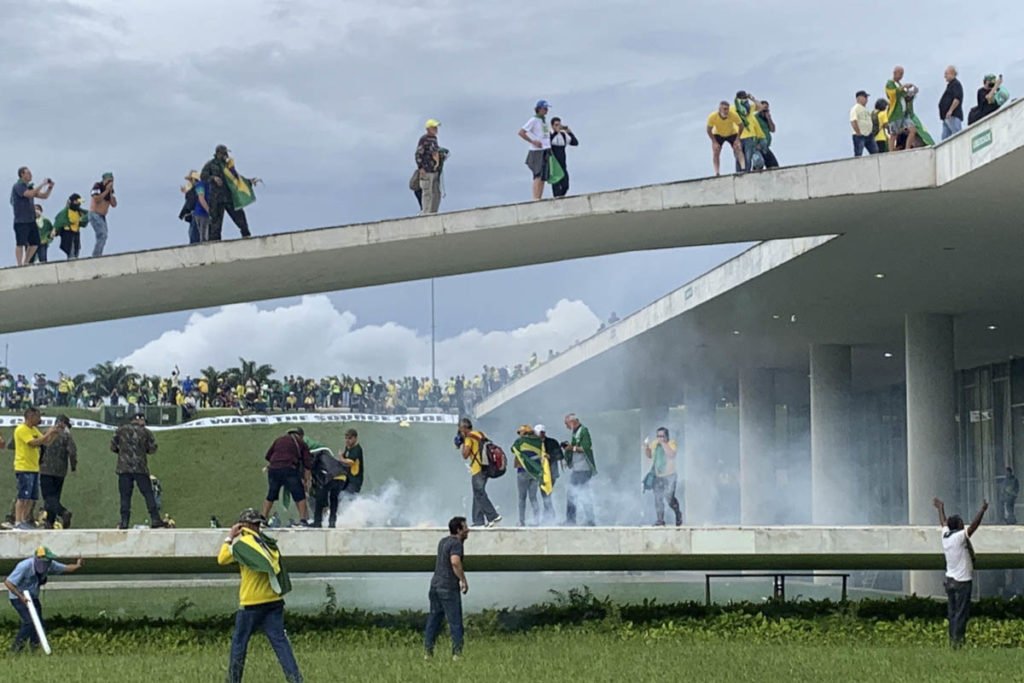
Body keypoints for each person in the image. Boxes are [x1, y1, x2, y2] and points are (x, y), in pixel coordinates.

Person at [218, 508, 303, 682]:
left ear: (244, 525)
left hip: (251, 603)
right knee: (281, 644)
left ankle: (234, 680)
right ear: (258, 525)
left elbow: (222, 559)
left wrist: (229, 537)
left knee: (239, 644)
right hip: (274, 601)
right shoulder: (267, 545)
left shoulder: (243, 545)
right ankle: (295, 679)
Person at [4, 546, 82, 652]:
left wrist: (78, 565)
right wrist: (21, 597)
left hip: (33, 596)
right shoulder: (24, 566)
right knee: (30, 622)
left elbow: (66, 568)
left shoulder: (50, 564)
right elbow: (8, 583)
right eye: (45, 562)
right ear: (37, 560)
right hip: (18, 597)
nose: (47, 565)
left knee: (39, 623)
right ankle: (16, 648)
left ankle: (34, 648)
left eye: (48, 561)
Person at [933, 497, 988, 648]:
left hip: (950, 581)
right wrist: (982, 511)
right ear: (958, 527)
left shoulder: (946, 536)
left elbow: (943, 523)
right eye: (961, 523)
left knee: (952, 613)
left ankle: (952, 640)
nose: (963, 525)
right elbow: (974, 527)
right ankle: (958, 642)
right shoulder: (959, 537)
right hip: (962, 582)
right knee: (961, 613)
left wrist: (940, 509)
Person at [424, 516, 470, 660]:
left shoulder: (443, 542)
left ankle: (428, 653)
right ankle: (457, 654)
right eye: (465, 527)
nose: (468, 530)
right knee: (455, 622)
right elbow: (455, 562)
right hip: (448, 587)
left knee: (433, 620)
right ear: (458, 530)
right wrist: (463, 579)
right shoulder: (456, 544)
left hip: (435, 586)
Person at [110, 412, 166, 529]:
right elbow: (152, 449)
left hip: (124, 468)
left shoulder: (121, 430)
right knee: (148, 493)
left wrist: (122, 453)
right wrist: (142, 450)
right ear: (140, 420)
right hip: (140, 468)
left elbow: (113, 446)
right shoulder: (145, 432)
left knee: (125, 496)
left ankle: (124, 521)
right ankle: (155, 518)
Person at [12, 407, 62, 530]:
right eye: (38, 416)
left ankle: (25, 519)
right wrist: (48, 433)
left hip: (34, 467)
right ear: (30, 417)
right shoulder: (21, 430)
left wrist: (54, 433)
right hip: (23, 467)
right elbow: (33, 442)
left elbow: (45, 442)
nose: (40, 419)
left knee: (32, 497)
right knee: (23, 496)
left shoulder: (34, 429)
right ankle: (18, 521)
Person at [261, 427, 313, 525]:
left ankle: (263, 518)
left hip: (273, 470)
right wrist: (307, 481)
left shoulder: (278, 440)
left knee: (271, 494)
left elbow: (268, 456)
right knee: (299, 495)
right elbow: (307, 464)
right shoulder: (301, 443)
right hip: (289, 469)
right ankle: (303, 520)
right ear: (301, 436)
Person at [201, 144, 252, 241]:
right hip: (216, 198)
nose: (226, 155)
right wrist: (213, 178)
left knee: (240, 217)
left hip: (229, 196)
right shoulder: (210, 165)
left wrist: (249, 182)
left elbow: (236, 178)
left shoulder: (228, 166)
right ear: (218, 153)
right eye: (224, 153)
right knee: (216, 223)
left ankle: (246, 235)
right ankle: (215, 243)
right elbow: (203, 176)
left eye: (226, 153)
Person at [457, 418, 500, 527]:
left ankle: (493, 516)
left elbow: (465, 455)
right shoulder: (480, 434)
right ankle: (478, 521)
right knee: (477, 494)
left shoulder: (469, 438)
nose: (460, 432)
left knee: (480, 494)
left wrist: (462, 443)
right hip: (486, 467)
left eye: (460, 430)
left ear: (464, 428)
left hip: (477, 469)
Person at [10, 167, 54, 266]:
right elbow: (29, 194)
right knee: (20, 243)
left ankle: (26, 261)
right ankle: (19, 263)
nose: (30, 175)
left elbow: (44, 196)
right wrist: (42, 184)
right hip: (21, 220)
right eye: (28, 173)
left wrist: (49, 188)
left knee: (35, 243)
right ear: (22, 174)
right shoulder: (18, 186)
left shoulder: (28, 186)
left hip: (31, 220)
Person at [39, 415, 76, 529]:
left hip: (45, 469)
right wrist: (73, 466)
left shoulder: (46, 432)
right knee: (55, 496)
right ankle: (50, 521)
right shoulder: (67, 436)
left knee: (48, 497)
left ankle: (63, 512)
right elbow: (72, 452)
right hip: (60, 471)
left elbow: (40, 448)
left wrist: (38, 462)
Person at [644, 427, 682, 526]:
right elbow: (649, 455)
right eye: (658, 436)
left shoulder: (671, 443)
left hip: (670, 476)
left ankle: (678, 513)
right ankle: (660, 520)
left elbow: (671, 454)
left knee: (669, 498)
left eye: (662, 436)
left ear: (666, 436)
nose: (659, 438)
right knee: (657, 498)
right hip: (658, 475)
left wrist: (663, 444)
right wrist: (647, 447)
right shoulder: (655, 444)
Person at [563, 413, 596, 526]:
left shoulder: (583, 431)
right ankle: (571, 520)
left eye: (567, 424)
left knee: (581, 493)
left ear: (573, 422)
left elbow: (586, 448)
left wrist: (572, 448)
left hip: (583, 468)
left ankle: (588, 520)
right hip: (577, 468)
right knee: (573, 493)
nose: (566, 427)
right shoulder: (575, 432)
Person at [518, 99, 553, 200]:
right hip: (537, 151)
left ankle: (539, 197)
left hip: (546, 149)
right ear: (539, 109)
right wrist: (532, 141)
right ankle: (536, 198)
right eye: (544, 108)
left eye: (547, 109)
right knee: (537, 175)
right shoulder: (533, 120)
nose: (546, 110)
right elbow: (521, 132)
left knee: (543, 176)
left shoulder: (544, 121)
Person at [511, 425, 546, 526]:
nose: (519, 434)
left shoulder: (520, 441)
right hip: (535, 473)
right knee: (533, 497)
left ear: (525, 432)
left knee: (522, 498)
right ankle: (537, 520)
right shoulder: (539, 442)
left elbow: (513, 449)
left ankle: (522, 521)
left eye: (520, 432)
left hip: (522, 471)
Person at [705, 101, 744, 176]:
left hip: (731, 133)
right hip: (718, 134)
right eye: (725, 109)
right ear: (720, 109)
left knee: (738, 147)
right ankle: (717, 172)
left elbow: (741, 126)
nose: (726, 111)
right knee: (716, 150)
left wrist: (737, 139)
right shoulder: (712, 116)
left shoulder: (733, 115)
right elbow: (708, 130)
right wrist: (714, 142)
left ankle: (743, 168)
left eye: (727, 109)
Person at [885, 66, 918, 151]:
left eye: (902, 74)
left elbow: (905, 96)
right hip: (895, 113)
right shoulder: (890, 83)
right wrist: (903, 87)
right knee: (894, 134)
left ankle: (907, 148)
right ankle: (891, 151)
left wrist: (911, 93)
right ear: (895, 73)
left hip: (904, 114)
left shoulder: (899, 84)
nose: (901, 76)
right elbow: (892, 94)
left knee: (912, 129)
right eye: (900, 73)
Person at [535, 424, 562, 524]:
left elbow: (559, 455)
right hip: (541, 473)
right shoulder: (535, 444)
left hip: (551, 472)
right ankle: (549, 515)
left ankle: (550, 516)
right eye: (539, 433)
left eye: (542, 433)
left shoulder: (552, 442)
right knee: (545, 495)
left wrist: (550, 456)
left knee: (546, 494)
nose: (540, 435)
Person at [415, 119, 443, 214]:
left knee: (436, 193)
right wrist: (420, 167)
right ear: (428, 129)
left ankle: (433, 212)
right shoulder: (424, 139)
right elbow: (418, 154)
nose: (436, 129)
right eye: (434, 127)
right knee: (427, 193)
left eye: (436, 127)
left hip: (434, 170)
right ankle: (426, 213)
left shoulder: (434, 139)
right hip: (426, 171)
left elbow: (435, 152)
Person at [734, 91, 766, 171]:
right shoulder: (733, 108)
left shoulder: (750, 107)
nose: (744, 100)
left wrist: (752, 98)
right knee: (739, 158)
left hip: (749, 137)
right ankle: (739, 175)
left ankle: (746, 174)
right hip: (738, 136)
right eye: (742, 98)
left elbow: (761, 107)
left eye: (745, 97)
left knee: (747, 160)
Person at [88, 172, 116, 257]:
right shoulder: (97, 186)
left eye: (112, 181)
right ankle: (96, 255)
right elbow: (96, 199)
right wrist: (106, 190)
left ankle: (98, 254)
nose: (110, 183)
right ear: (104, 180)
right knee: (102, 234)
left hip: (102, 217)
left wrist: (110, 192)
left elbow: (114, 204)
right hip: (94, 214)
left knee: (103, 236)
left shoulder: (111, 191)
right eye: (108, 181)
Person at [549, 117, 579, 197]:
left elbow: (575, 143)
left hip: (562, 163)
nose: (558, 126)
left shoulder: (563, 135)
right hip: (554, 164)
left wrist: (569, 132)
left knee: (565, 185)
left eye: (559, 125)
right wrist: (555, 132)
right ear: (552, 126)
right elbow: (548, 143)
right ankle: (557, 199)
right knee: (556, 186)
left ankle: (561, 197)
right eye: (556, 125)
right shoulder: (549, 135)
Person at [53, 194, 89, 260]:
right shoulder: (65, 212)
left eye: (79, 202)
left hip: (76, 234)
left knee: (76, 250)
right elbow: (58, 222)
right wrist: (54, 231)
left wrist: (81, 220)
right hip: (68, 234)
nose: (78, 204)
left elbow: (87, 215)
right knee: (70, 251)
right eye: (76, 201)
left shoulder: (80, 212)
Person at [337, 428, 364, 503]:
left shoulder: (357, 450)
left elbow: (349, 462)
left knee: (348, 498)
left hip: (355, 481)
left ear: (355, 438)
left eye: (350, 438)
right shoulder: (348, 447)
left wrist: (341, 457)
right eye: (346, 438)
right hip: (347, 479)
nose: (347, 440)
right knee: (338, 496)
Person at [939, 66, 964, 140]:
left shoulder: (956, 84)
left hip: (953, 116)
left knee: (957, 135)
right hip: (946, 117)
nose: (945, 76)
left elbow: (957, 99)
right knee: (945, 139)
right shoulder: (950, 85)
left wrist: (950, 110)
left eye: (946, 74)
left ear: (952, 73)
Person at [850, 90, 878, 156]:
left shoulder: (865, 109)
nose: (866, 99)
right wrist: (858, 132)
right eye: (865, 97)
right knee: (858, 153)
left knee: (875, 151)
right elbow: (853, 120)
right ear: (859, 98)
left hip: (869, 134)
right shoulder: (855, 108)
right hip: (860, 135)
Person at [756, 100, 779, 168]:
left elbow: (773, 129)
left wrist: (769, 119)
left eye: (767, 109)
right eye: (764, 108)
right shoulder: (755, 118)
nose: (765, 110)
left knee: (773, 165)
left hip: (765, 146)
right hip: (758, 145)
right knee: (759, 164)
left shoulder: (766, 119)